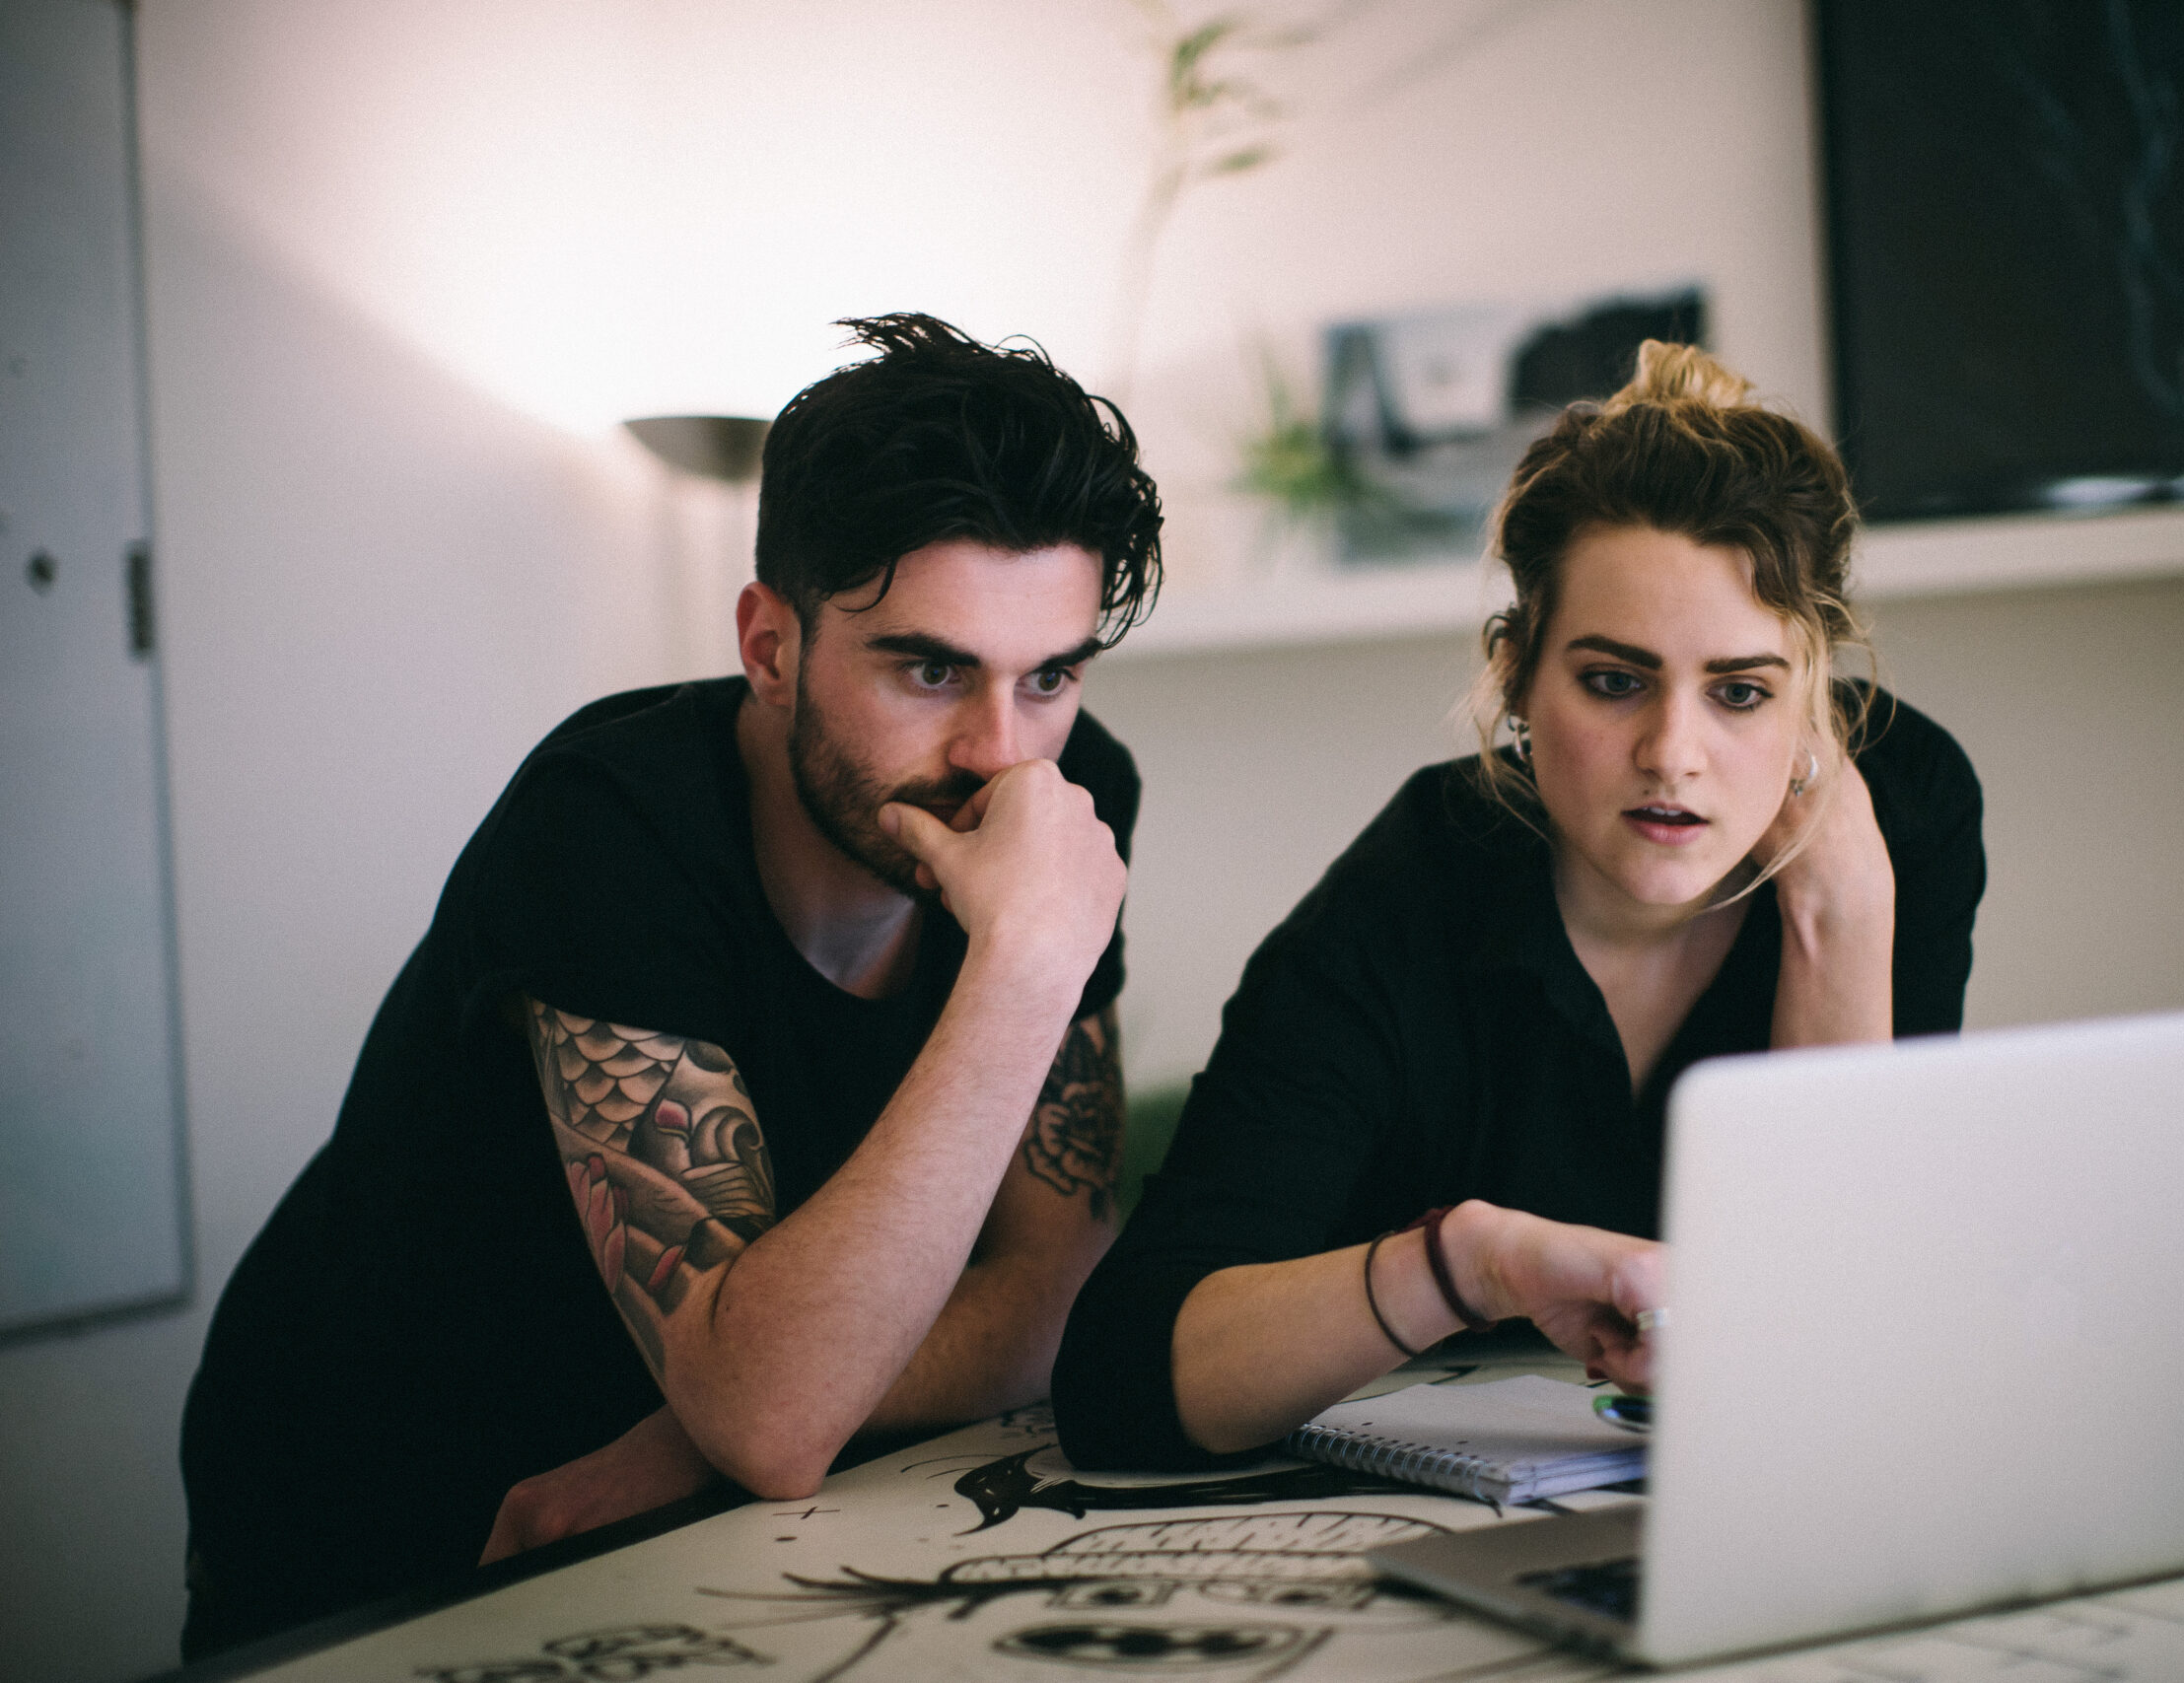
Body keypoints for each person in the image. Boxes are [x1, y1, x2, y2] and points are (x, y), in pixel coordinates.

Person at [178, 315, 1163, 1656]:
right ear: (771, 646)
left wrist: (699, 1432)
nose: (1002, 751)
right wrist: (1024, 965)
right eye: (931, 667)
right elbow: (769, 1411)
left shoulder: (1071, 786)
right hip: (392, 1513)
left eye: (1047, 674)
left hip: (704, 1496)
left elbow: (1053, 1296)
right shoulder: (610, 825)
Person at [1052, 342, 1983, 1467]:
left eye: (1740, 694)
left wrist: (1837, 915)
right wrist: (1464, 1267)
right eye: (1612, 681)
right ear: (1516, 680)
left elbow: (1841, 1353)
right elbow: (1122, 1382)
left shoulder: (1901, 811)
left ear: (1811, 709)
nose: (1672, 755)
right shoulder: (1411, 897)